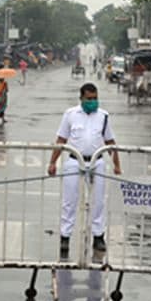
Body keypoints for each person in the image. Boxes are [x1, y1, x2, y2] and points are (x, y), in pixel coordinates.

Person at [47, 83, 122, 256]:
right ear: (81, 98)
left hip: (97, 162)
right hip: (74, 162)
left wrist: (117, 164)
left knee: (98, 201)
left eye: (95, 98)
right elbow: (61, 139)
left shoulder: (103, 116)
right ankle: (65, 237)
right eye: (89, 99)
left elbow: (110, 142)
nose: (92, 102)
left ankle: (98, 236)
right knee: (69, 201)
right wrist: (52, 163)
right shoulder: (70, 115)